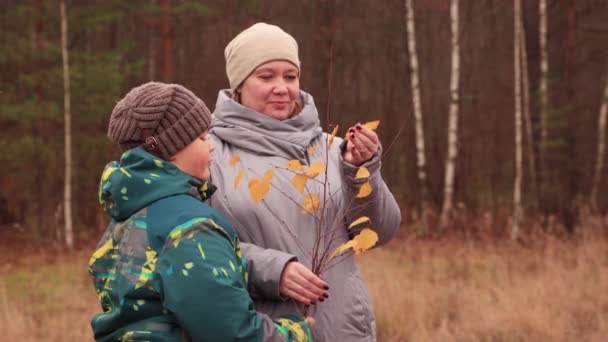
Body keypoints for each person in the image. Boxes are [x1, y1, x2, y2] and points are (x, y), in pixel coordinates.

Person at [208, 23, 402, 341]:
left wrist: (362, 170)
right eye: (266, 76)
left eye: (290, 76)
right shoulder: (209, 155)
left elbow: (379, 232)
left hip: (341, 330)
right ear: (239, 84)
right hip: (258, 331)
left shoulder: (334, 149)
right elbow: (190, 248)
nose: (282, 87)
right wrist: (273, 271)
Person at [88, 82, 315, 341]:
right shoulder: (190, 227)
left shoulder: (126, 219)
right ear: (172, 149)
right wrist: (299, 332)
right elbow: (231, 334)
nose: (211, 146)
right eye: (202, 137)